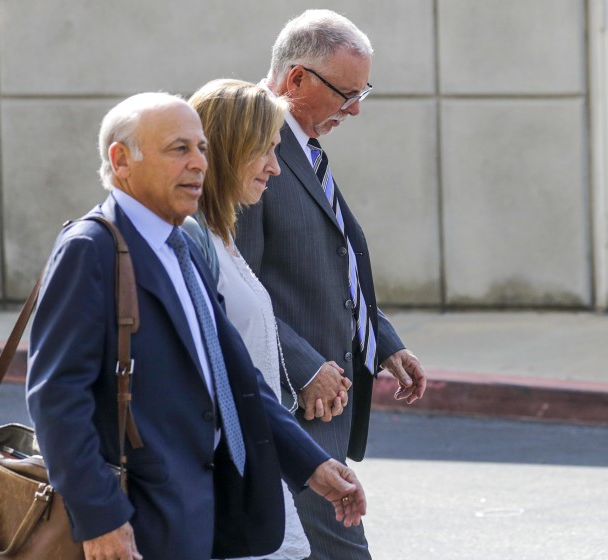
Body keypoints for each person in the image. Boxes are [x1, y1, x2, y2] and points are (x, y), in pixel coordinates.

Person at [26, 92, 367, 560]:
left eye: (201, 148)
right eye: (178, 149)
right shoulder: (92, 249)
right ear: (120, 160)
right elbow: (57, 398)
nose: (197, 164)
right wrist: (101, 518)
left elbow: (237, 381)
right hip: (139, 521)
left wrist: (311, 465)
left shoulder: (182, 248)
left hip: (203, 515)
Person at [234, 10, 428, 559]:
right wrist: (304, 367)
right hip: (295, 401)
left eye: (362, 90)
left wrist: (382, 340)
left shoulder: (303, 145)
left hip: (325, 395)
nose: (356, 108)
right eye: (346, 93)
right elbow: (234, 284)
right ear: (296, 80)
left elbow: (332, 254)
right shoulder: (252, 146)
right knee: (339, 548)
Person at [182, 78, 349, 560]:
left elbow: (245, 375)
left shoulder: (221, 236)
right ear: (232, 149)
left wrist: (307, 461)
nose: (276, 167)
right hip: (222, 484)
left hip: (255, 472)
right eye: (265, 151)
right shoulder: (191, 241)